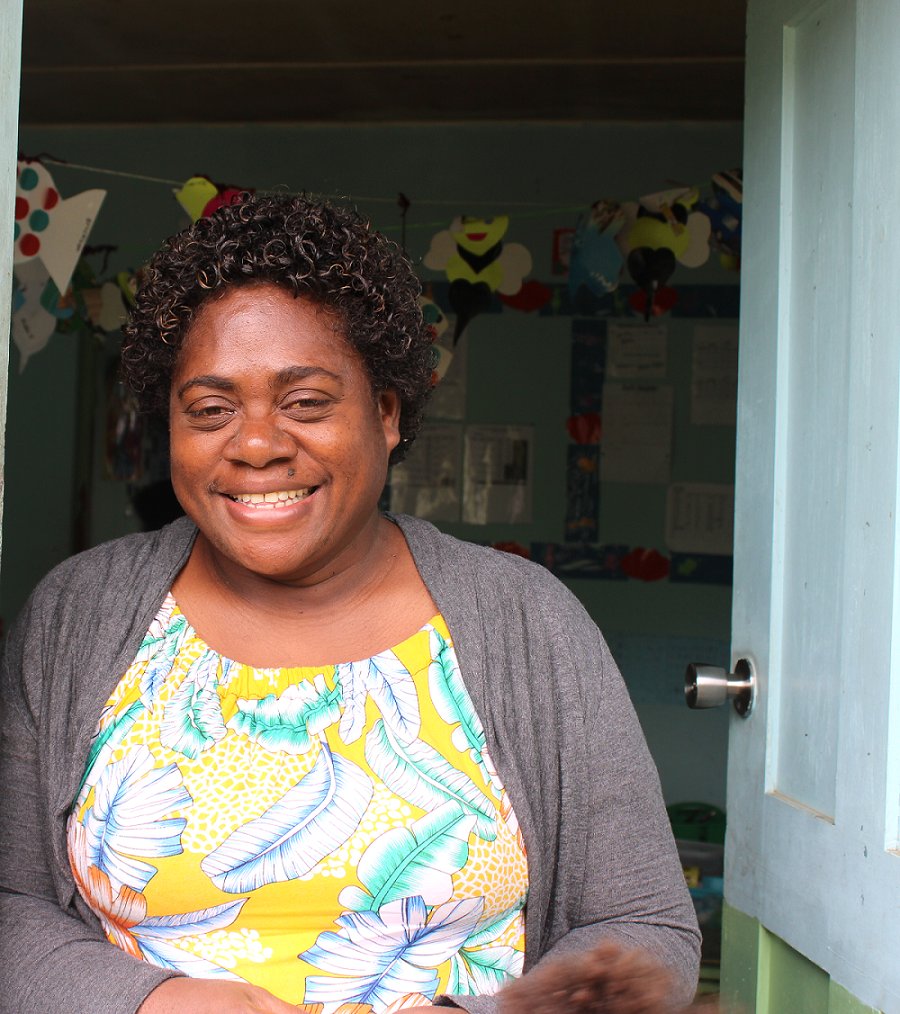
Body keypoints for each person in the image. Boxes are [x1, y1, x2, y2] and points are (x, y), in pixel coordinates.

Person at [0, 193, 700, 1014]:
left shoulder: (527, 622)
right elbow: (12, 905)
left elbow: (647, 924)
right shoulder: (77, 616)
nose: (257, 444)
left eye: (306, 402)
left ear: (388, 413)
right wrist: (155, 1001)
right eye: (211, 410)